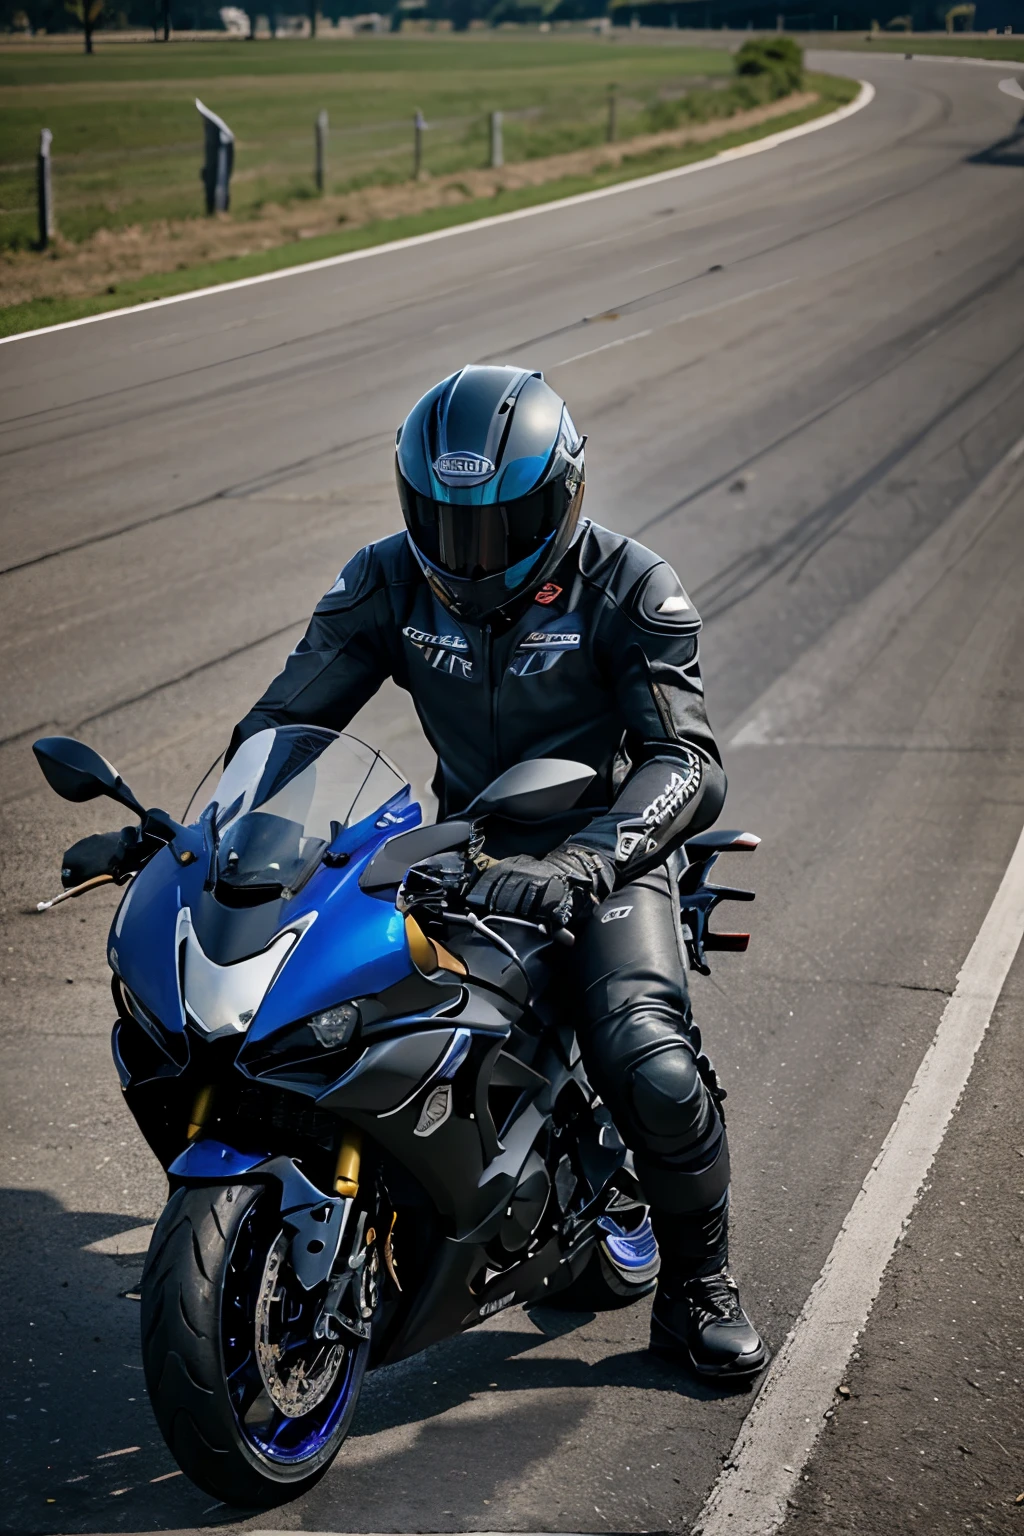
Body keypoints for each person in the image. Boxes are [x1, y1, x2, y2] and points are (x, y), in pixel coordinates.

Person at [64, 364, 766, 1381]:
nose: (464, 550)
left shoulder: (631, 586)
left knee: (646, 1060)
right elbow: (287, 727)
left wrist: (590, 857)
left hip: (607, 850)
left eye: (496, 522)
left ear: (563, 497)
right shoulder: (385, 577)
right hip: (466, 841)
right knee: (317, 1018)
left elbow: (687, 763)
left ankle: (699, 1282)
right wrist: (211, 834)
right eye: (442, 521)